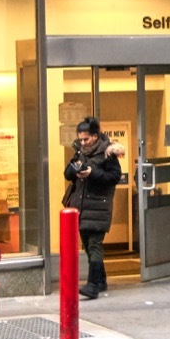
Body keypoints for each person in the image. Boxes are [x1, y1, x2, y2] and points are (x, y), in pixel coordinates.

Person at [63, 116, 124, 300]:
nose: (83, 142)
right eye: (80, 139)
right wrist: (76, 170)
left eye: (86, 139)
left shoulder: (108, 153)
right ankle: (101, 279)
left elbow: (114, 177)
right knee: (88, 246)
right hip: (81, 207)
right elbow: (67, 173)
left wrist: (93, 173)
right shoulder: (80, 153)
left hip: (98, 207)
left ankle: (93, 285)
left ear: (95, 136)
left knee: (94, 244)